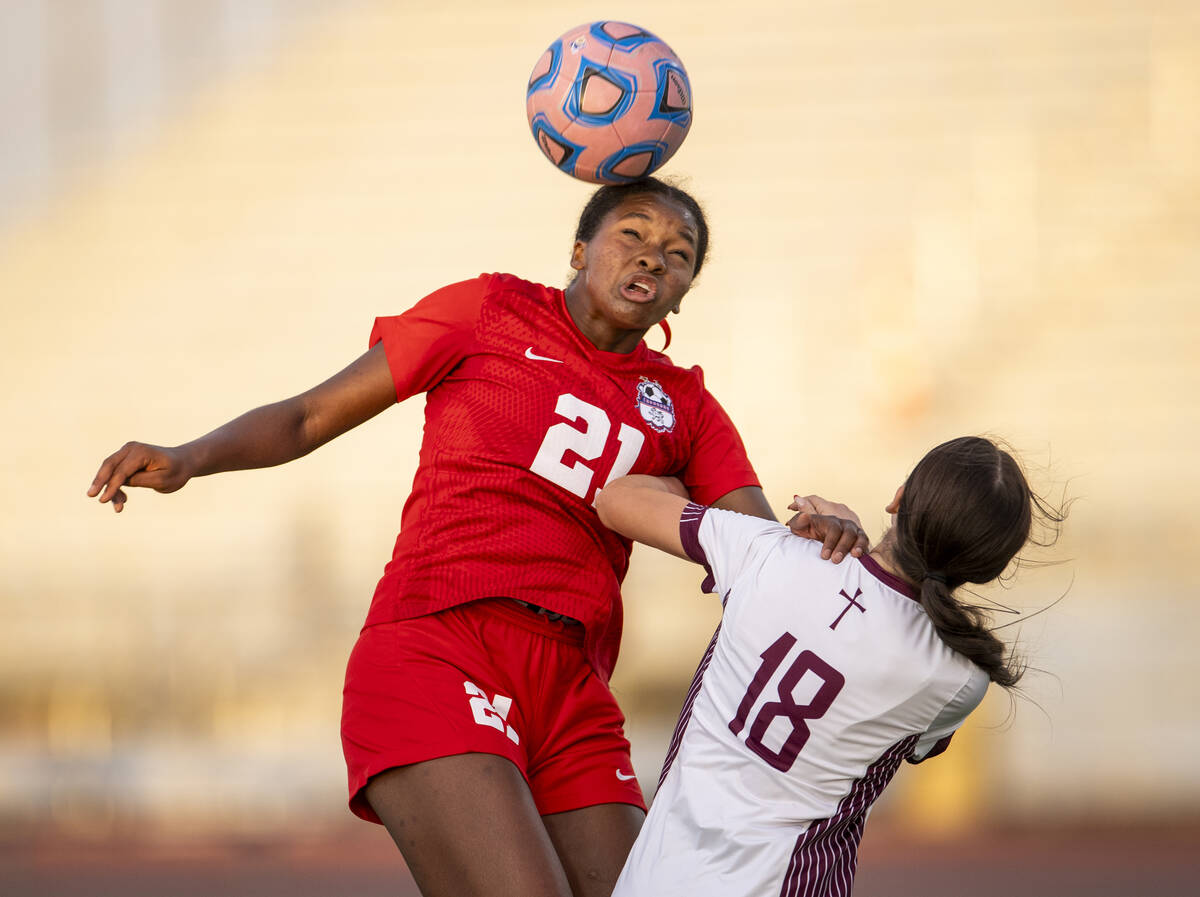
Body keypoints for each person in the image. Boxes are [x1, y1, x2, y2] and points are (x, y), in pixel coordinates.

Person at [87, 176, 869, 897]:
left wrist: (824, 531)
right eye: (631, 233)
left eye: (677, 254)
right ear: (579, 250)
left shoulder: (687, 407)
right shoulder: (486, 311)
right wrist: (190, 457)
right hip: (438, 646)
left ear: (685, 291)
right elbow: (306, 416)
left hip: (573, 690)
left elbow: (762, 559)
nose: (650, 257)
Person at [594, 435, 1065, 897]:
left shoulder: (769, 550)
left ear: (898, 498)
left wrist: (683, 492)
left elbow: (615, 500)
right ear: (989, 567)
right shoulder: (960, 677)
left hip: (657, 877)